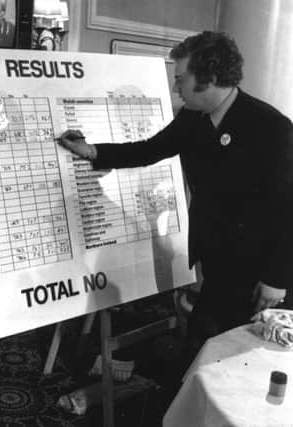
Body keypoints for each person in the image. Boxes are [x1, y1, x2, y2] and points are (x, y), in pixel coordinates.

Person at [57, 31, 293, 352]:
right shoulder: (193, 119)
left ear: (208, 78)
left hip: (260, 271)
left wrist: (276, 280)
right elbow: (149, 149)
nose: (174, 87)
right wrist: (92, 152)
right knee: (207, 343)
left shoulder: (271, 128)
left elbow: (288, 210)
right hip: (219, 261)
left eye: (180, 78)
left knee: (239, 354)